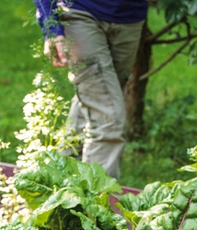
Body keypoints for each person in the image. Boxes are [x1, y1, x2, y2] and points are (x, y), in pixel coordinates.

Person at [33, 1, 148, 179]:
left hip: (130, 19)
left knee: (95, 100)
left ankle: (61, 179)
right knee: (108, 116)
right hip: (80, 13)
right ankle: (95, 201)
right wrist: (52, 26)